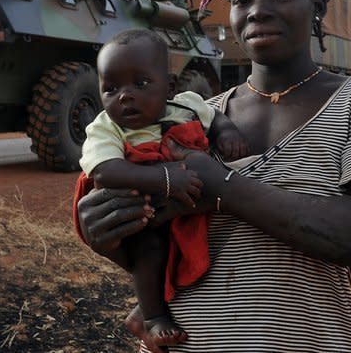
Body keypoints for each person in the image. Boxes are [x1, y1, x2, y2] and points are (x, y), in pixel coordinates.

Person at [76, 0, 351, 352]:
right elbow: (168, 246)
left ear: (317, 7)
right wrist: (110, 235)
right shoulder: (191, 116)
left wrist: (223, 188)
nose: (258, 12)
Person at [72, 28, 248, 349]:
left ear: (169, 86)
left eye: (140, 84)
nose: (125, 95)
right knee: (150, 251)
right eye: (111, 88)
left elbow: (216, 118)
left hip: (189, 209)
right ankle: (151, 317)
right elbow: (106, 169)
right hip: (144, 213)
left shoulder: (189, 106)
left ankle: (147, 310)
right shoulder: (106, 128)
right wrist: (166, 177)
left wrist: (227, 132)